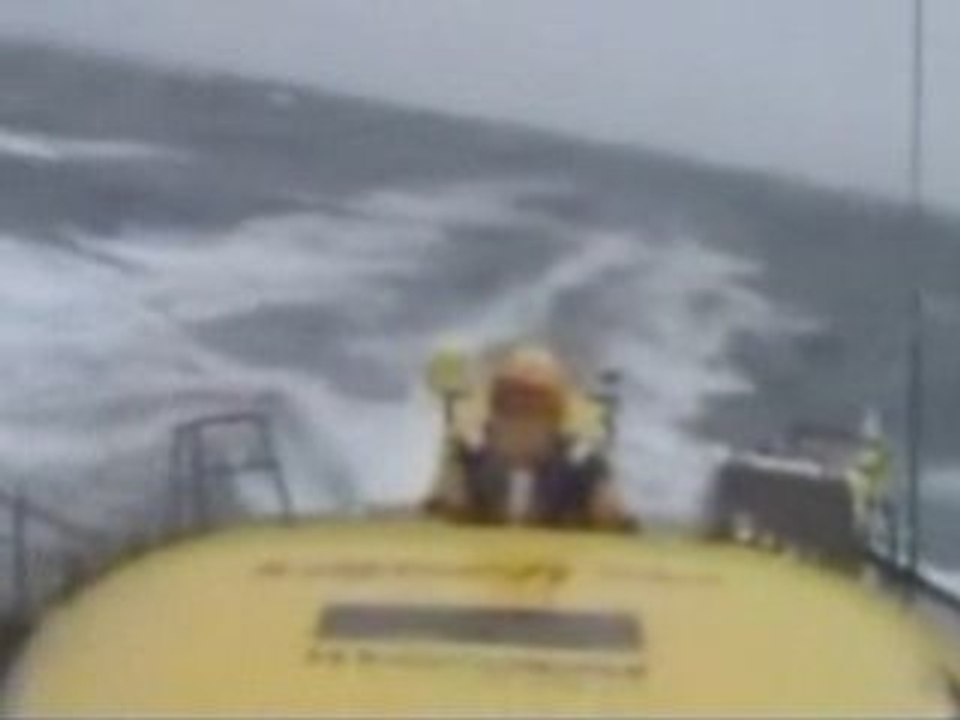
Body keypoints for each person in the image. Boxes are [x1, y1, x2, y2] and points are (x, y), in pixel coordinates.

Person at [426, 347, 633, 530]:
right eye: (513, 394)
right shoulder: (469, 451)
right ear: (497, 401)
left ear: (556, 408)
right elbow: (443, 513)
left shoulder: (583, 460)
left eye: (537, 397)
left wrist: (606, 510)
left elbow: (612, 518)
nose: (524, 406)